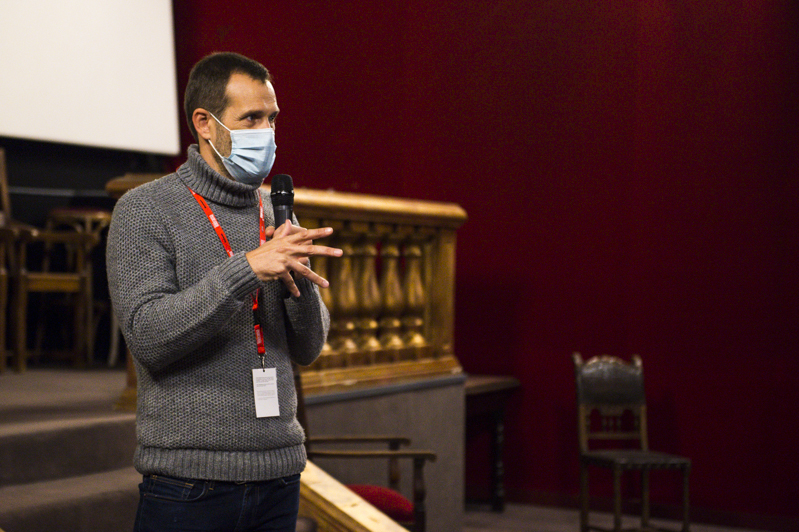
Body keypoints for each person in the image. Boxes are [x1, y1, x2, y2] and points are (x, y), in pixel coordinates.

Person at [106, 52, 342, 532]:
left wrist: (298, 283)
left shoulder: (274, 212)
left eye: (271, 118)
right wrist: (247, 269)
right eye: (251, 118)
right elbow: (148, 337)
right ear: (205, 124)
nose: (266, 132)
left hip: (279, 472)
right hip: (189, 482)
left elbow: (309, 347)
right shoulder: (145, 210)